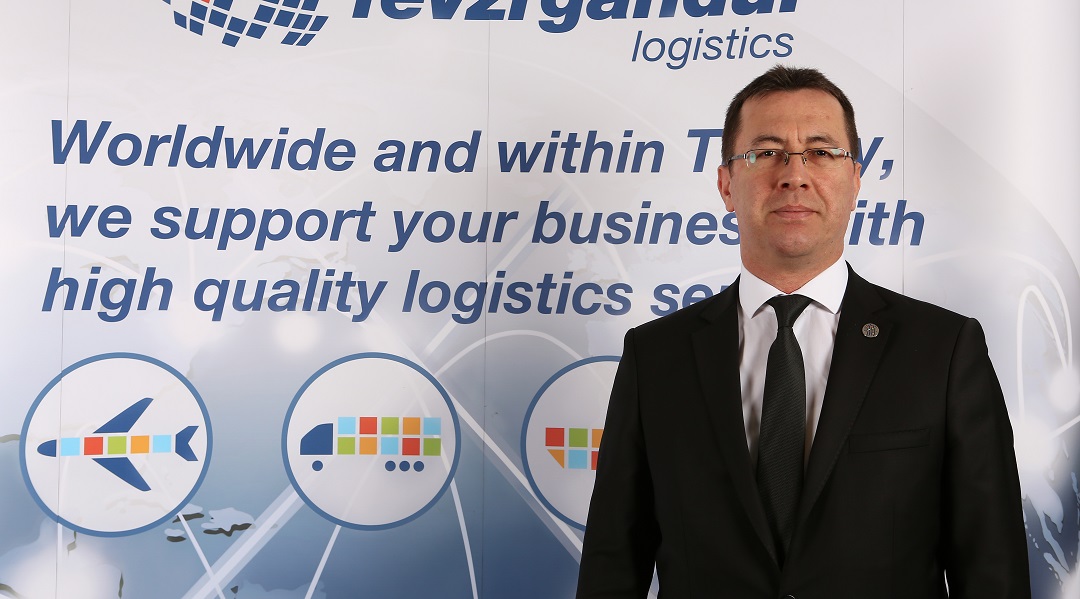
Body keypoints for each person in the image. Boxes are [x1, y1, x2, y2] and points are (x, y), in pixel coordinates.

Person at [575, 65, 1030, 598]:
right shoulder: (655, 357)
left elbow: (992, 572)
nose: (794, 174)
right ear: (726, 184)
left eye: (821, 151)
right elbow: (611, 567)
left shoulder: (944, 351)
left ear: (855, 180)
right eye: (766, 152)